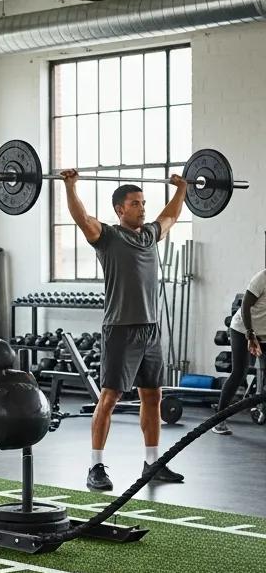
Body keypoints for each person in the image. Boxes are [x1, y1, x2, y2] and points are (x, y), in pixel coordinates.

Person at [60, 172, 187, 491]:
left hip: (150, 329)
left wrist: (182, 189)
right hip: (120, 329)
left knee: (153, 395)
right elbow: (81, 217)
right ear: (120, 209)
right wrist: (70, 186)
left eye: (143, 203)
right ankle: (96, 466)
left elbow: (170, 215)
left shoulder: (149, 235)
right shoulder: (108, 236)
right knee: (110, 397)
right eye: (135, 204)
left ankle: (152, 463)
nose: (142, 209)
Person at [213, 269, 266, 435]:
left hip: (264, 333)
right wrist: (250, 334)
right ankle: (219, 421)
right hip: (243, 329)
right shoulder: (262, 277)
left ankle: (261, 408)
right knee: (239, 372)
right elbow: (245, 305)